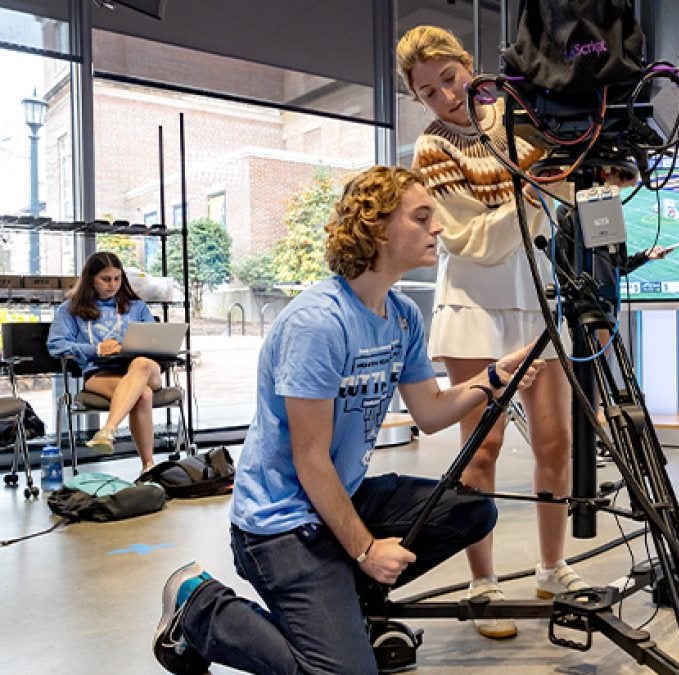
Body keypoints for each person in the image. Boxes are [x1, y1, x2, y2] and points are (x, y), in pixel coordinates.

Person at [152, 166, 543, 674]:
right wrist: (364, 552)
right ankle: (200, 607)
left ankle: (337, 604)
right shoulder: (318, 323)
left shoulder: (402, 316)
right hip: (280, 526)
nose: (438, 228)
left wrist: (490, 378)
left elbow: (428, 413)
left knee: (472, 512)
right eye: (422, 217)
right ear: (377, 228)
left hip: (342, 497)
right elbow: (310, 458)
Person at [397, 25, 585, 640]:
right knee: (484, 447)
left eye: (448, 78)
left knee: (556, 441)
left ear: (467, 65)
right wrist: (538, 193)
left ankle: (553, 568)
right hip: (473, 304)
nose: (444, 96)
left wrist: (557, 183)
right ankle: (482, 583)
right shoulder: (429, 150)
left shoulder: (519, 115)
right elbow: (472, 240)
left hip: (532, 295)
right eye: (426, 91)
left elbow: (569, 190)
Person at [47, 251, 163, 476]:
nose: (113, 285)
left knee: (141, 363)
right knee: (143, 395)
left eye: (117, 279)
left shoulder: (136, 306)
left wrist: (128, 348)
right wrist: (96, 350)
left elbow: (153, 338)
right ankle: (149, 466)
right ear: (91, 279)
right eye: (106, 279)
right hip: (100, 372)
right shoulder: (70, 309)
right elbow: (57, 345)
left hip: (145, 369)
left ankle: (108, 430)